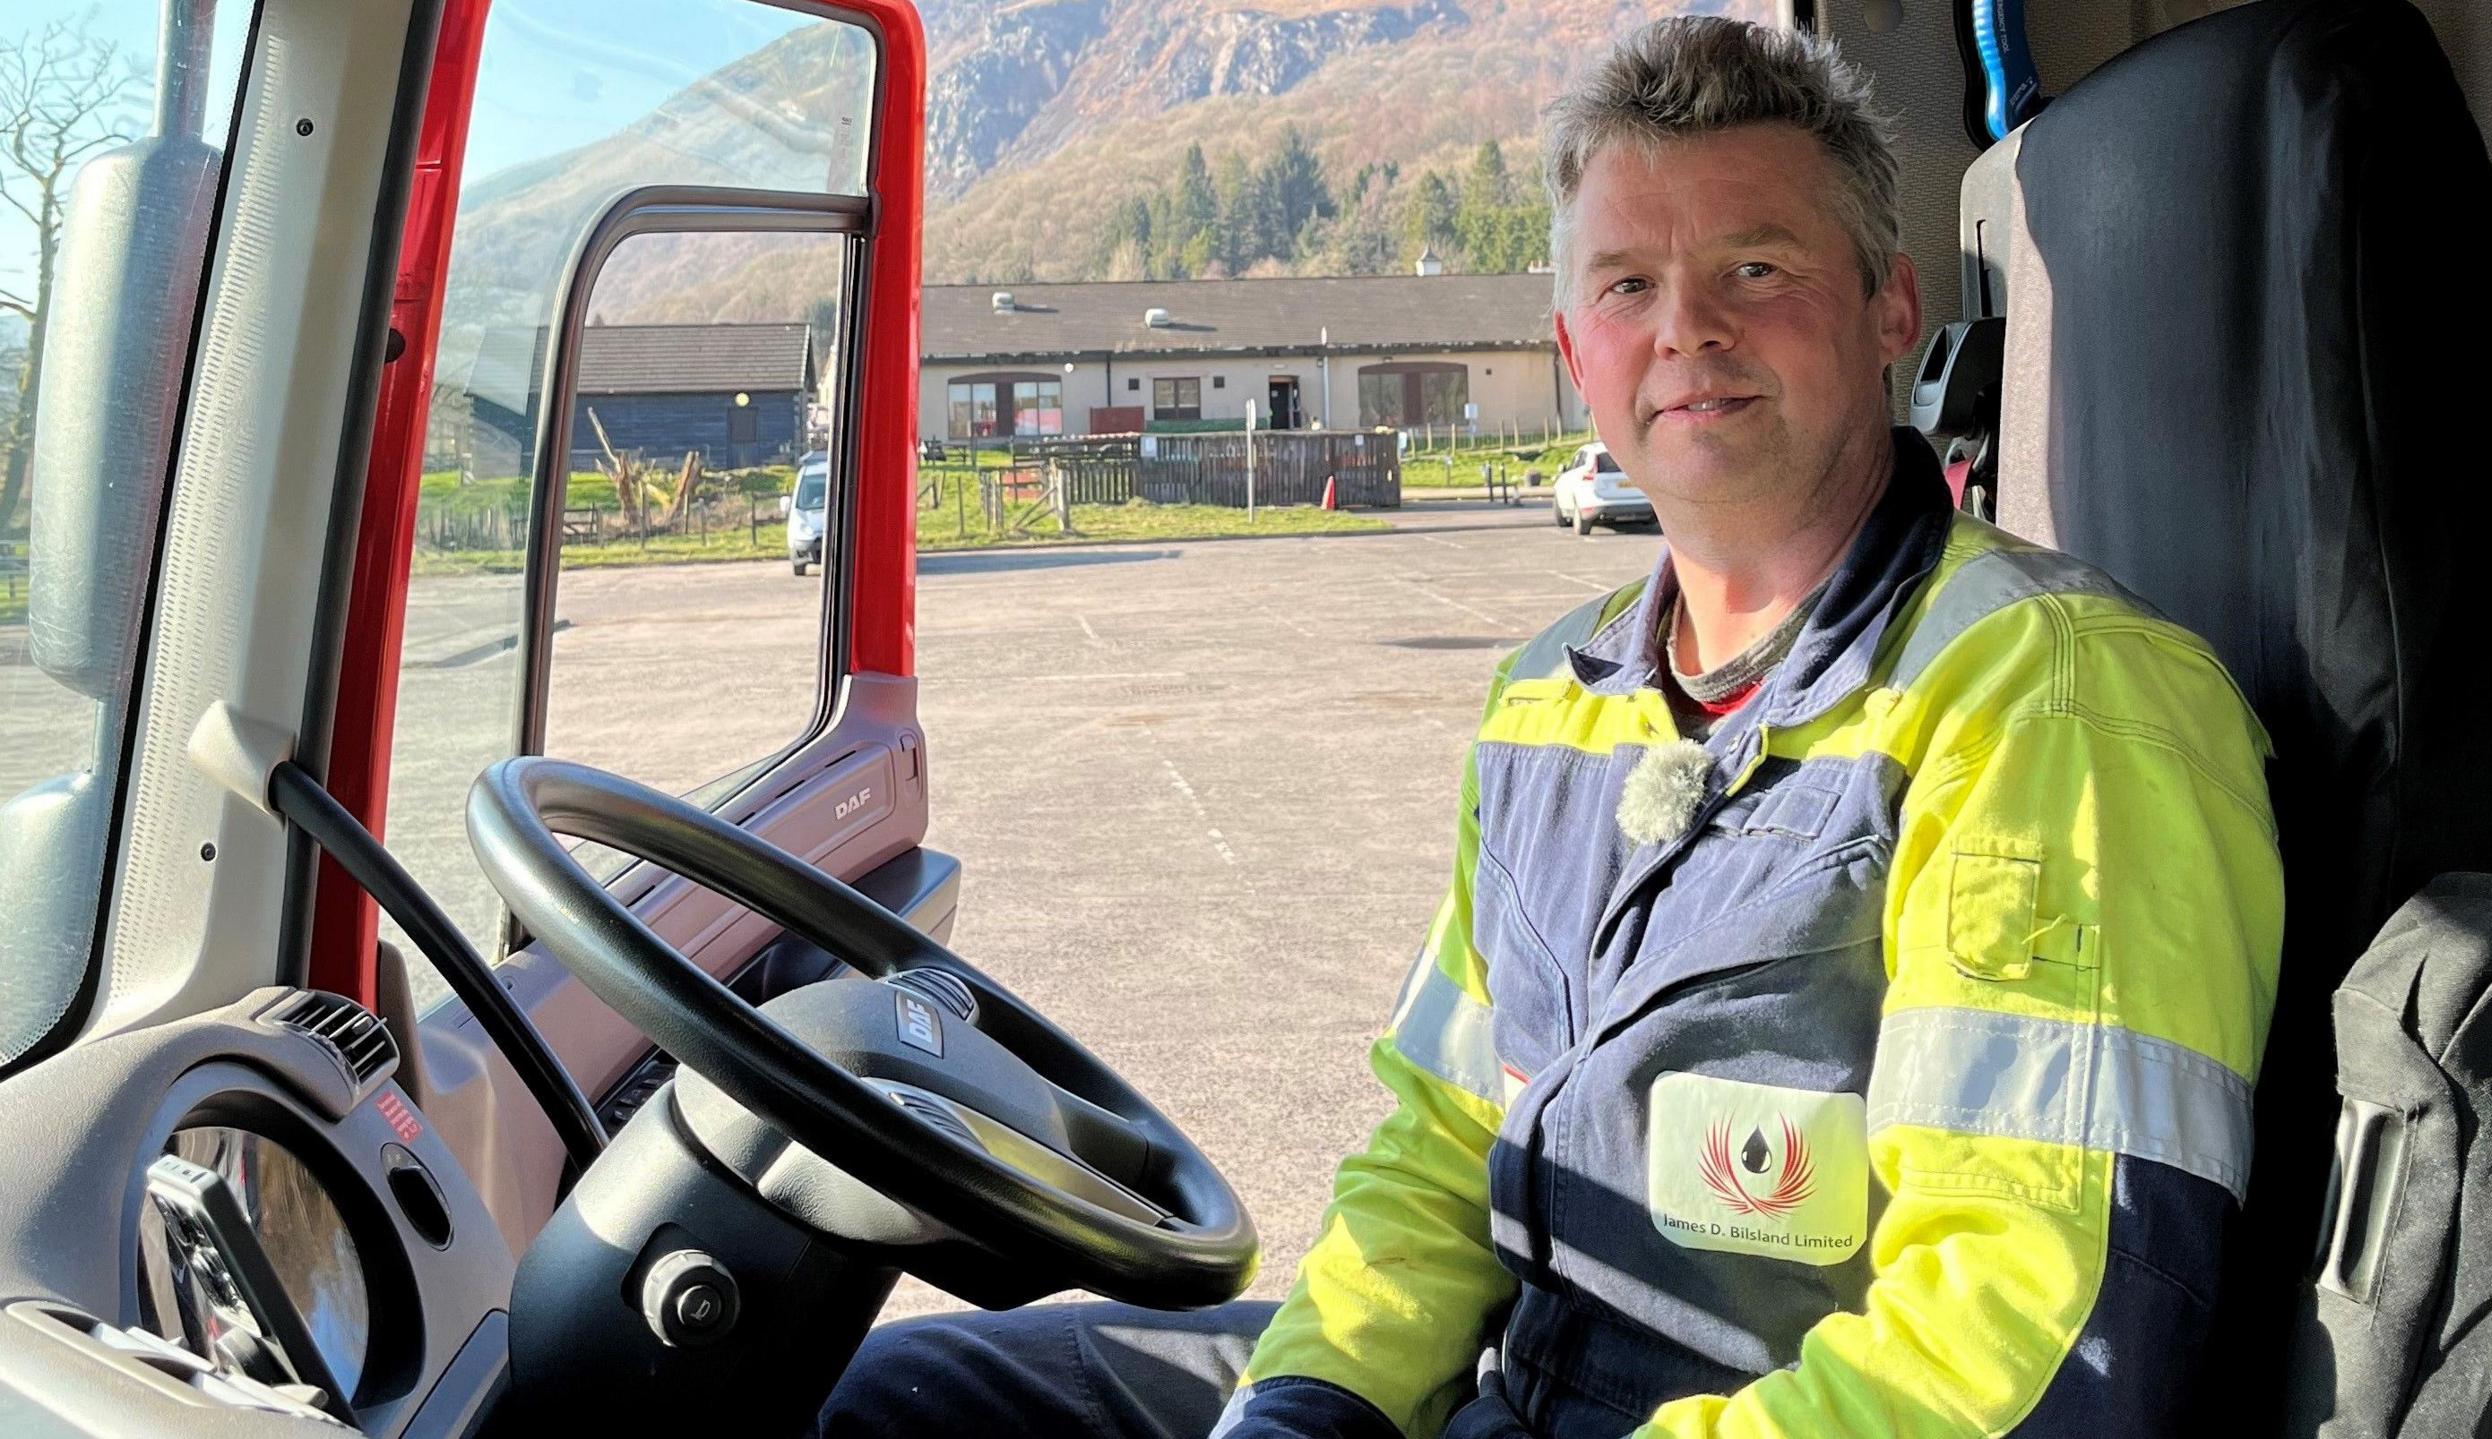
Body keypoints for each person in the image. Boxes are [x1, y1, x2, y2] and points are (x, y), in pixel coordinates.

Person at [819, 16, 2281, 1438]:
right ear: (1573, 346)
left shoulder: (2053, 702)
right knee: (896, 1397)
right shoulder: (1544, 697)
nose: (1688, 329)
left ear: (1889, 305)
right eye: (1629, 284)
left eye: (1756, 266)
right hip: (1508, 1372)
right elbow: (1445, 1150)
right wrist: (1310, 1404)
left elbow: (2023, 1344)